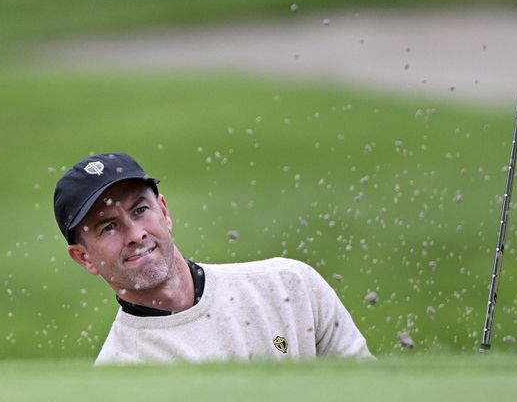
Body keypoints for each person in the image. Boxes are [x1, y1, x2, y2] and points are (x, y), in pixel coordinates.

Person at [53, 152, 372, 364]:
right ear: (84, 258)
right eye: (109, 227)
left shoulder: (288, 286)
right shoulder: (122, 372)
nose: (135, 234)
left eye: (140, 210)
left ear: (163, 211)